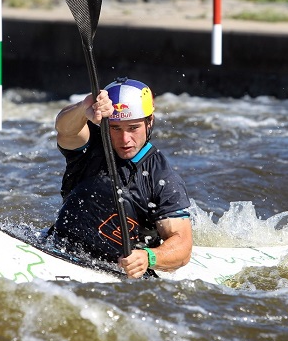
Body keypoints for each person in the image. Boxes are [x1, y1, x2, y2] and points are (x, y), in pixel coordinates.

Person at [49, 77, 193, 279]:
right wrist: (84, 107)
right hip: (61, 244)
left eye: (133, 128)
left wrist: (148, 257)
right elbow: (64, 129)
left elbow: (182, 245)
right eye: (115, 128)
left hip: (119, 266)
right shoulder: (91, 143)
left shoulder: (162, 177)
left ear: (149, 122)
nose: (125, 139)